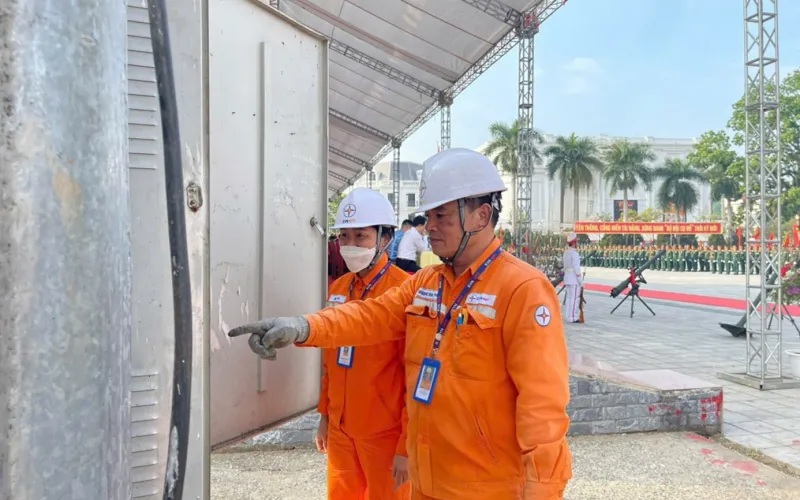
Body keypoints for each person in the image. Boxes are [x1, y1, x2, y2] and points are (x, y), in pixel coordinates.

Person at [229, 148, 572, 500]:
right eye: (428, 215)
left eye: (441, 215)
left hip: (485, 488)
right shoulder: (425, 282)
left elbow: (542, 406)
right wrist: (301, 327)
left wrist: (543, 492)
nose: (429, 226)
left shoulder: (521, 289)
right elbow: (368, 316)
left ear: (481, 215)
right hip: (426, 481)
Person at [314, 187, 411, 500]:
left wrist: (406, 445)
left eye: (361, 236)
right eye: (344, 236)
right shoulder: (339, 288)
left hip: (385, 432)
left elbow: (413, 373)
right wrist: (325, 417)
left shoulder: (404, 291)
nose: (351, 245)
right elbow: (330, 360)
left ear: (385, 239)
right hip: (341, 428)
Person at [562, 232, 582, 323]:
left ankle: (568, 316)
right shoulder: (575, 254)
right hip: (574, 279)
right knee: (574, 299)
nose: (577, 243)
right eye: (576, 242)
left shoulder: (566, 253)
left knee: (569, 298)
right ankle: (573, 317)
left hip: (567, 277)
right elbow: (576, 268)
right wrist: (580, 280)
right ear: (574, 243)